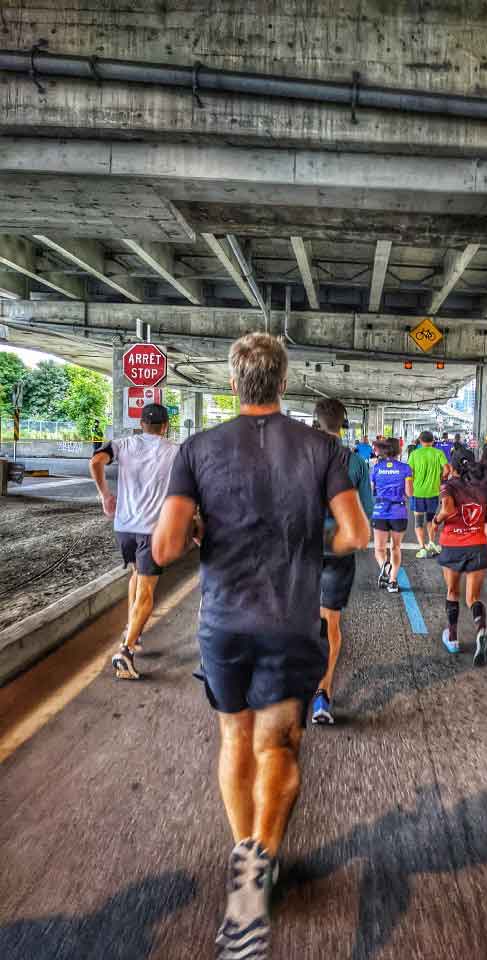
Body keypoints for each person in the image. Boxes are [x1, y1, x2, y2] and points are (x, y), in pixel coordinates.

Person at [152, 333, 369, 960]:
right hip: (291, 622)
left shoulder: (197, 449)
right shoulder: (321, 448)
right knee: (279, 743)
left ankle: (244, 852)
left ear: (231, 382)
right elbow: (353, 532)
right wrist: (306, 543)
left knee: (234, 740)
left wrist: (198, 530)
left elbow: (164, 549)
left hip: (225, 622)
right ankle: (262, 861)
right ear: (283, 382)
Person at [89, 403, 178, 681]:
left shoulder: (122, 444)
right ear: (165, 426)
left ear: (141, 424)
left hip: (124, 527)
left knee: (136, 576)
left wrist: (105, 495)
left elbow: (95, 462)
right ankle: (125, 651)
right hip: (152, 530)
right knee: (148, 593)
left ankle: (132, 631)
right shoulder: (174, 450)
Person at [312, 398, 373, 726]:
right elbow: (366, 509)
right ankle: (322, 694)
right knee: (330, 624)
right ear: (343, 425)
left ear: (314, 422)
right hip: (338, 552)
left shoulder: (299, 458)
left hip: (300, 551)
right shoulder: (355, 463)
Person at [433, 450, 487, 664]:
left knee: (452, 591)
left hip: (453, 546)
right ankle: (482, 629)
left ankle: (452, 637)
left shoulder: (448, 486)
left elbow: (448, 508)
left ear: (453, 467)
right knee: (473, 598)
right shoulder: (484, 488)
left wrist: (436, 520)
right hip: (478, 545)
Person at [371, 437, 413, 594]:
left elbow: (372, 490)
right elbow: (409, 493)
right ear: (399, 450)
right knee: (395, 547)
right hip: (399, 512)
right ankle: (393, 581)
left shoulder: (376, 468)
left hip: (380, 511)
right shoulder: (405, 468)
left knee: (379, 549)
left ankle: (386, 569)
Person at [407, 430, 447, 558]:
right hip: (433, 492)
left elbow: (409, 473)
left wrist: (410, 487)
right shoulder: (438, 453)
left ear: (420, 441)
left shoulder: (414, 454)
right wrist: (442, 479)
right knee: (430, 520)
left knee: (418, 521)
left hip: (417, 492)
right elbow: (447, 469)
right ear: (433, 441)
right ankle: (431, 543)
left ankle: (422, 548)